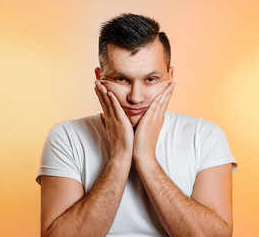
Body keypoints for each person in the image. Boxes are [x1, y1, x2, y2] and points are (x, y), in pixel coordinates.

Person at [36, 13, 237, 237]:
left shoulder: (205, 136)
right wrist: (120, 156)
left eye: (150, 79)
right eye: (121, 79)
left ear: (170, 78)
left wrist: (146, 159)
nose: (136, 97)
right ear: (99, 77)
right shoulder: (67, 137)